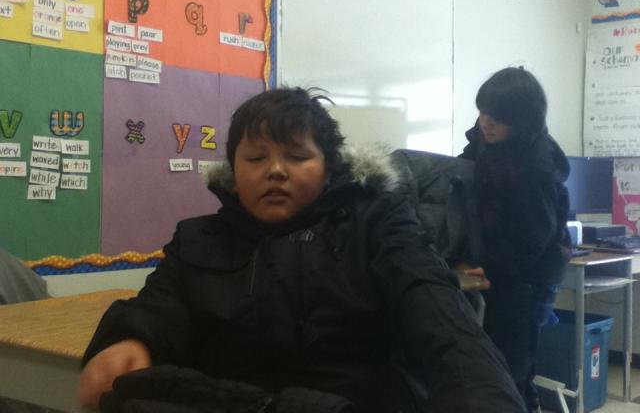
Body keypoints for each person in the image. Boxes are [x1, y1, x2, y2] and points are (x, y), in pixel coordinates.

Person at [77, 87, 526, 412]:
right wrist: (131, 339)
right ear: (233, 170)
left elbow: (441, 318)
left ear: (328, 168)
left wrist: (484, 397)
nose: (275, 170)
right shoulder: (199, 237)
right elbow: (159, 306)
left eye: (296, 156)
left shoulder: (377, 227)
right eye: (255, 158)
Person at [458, 67, 571, 413]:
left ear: (522, 121)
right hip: (499, 266)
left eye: (497, 118)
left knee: (512, 370)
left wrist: (489, 268)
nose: (485, 123)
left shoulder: (535, 167)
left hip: (527, 278)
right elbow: (458, 171)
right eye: (483, 112)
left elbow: (531, 241)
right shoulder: (488, 141)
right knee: (494, 365)